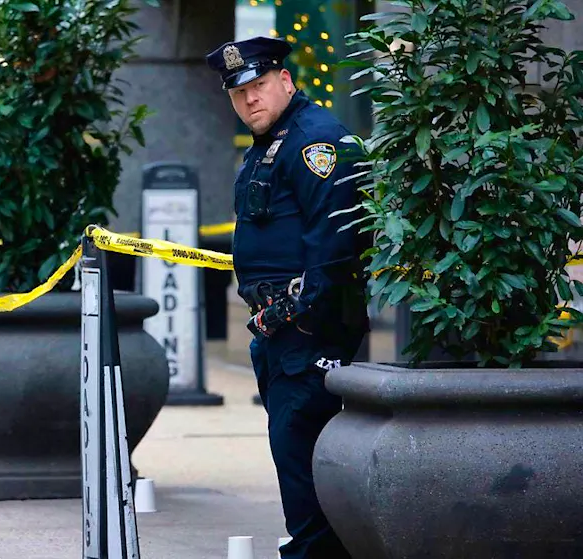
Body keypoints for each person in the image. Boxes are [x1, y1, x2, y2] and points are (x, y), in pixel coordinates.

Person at [205, 37, 370, 559]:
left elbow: (338, 241)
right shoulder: (272, 141)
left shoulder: (314, 141)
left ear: (285, 81)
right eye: (239, 92)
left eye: (258, 86)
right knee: (294, 449)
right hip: (277, 327)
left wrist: (298, 315)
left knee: (301, 447)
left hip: (306, 328)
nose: (249, 99)